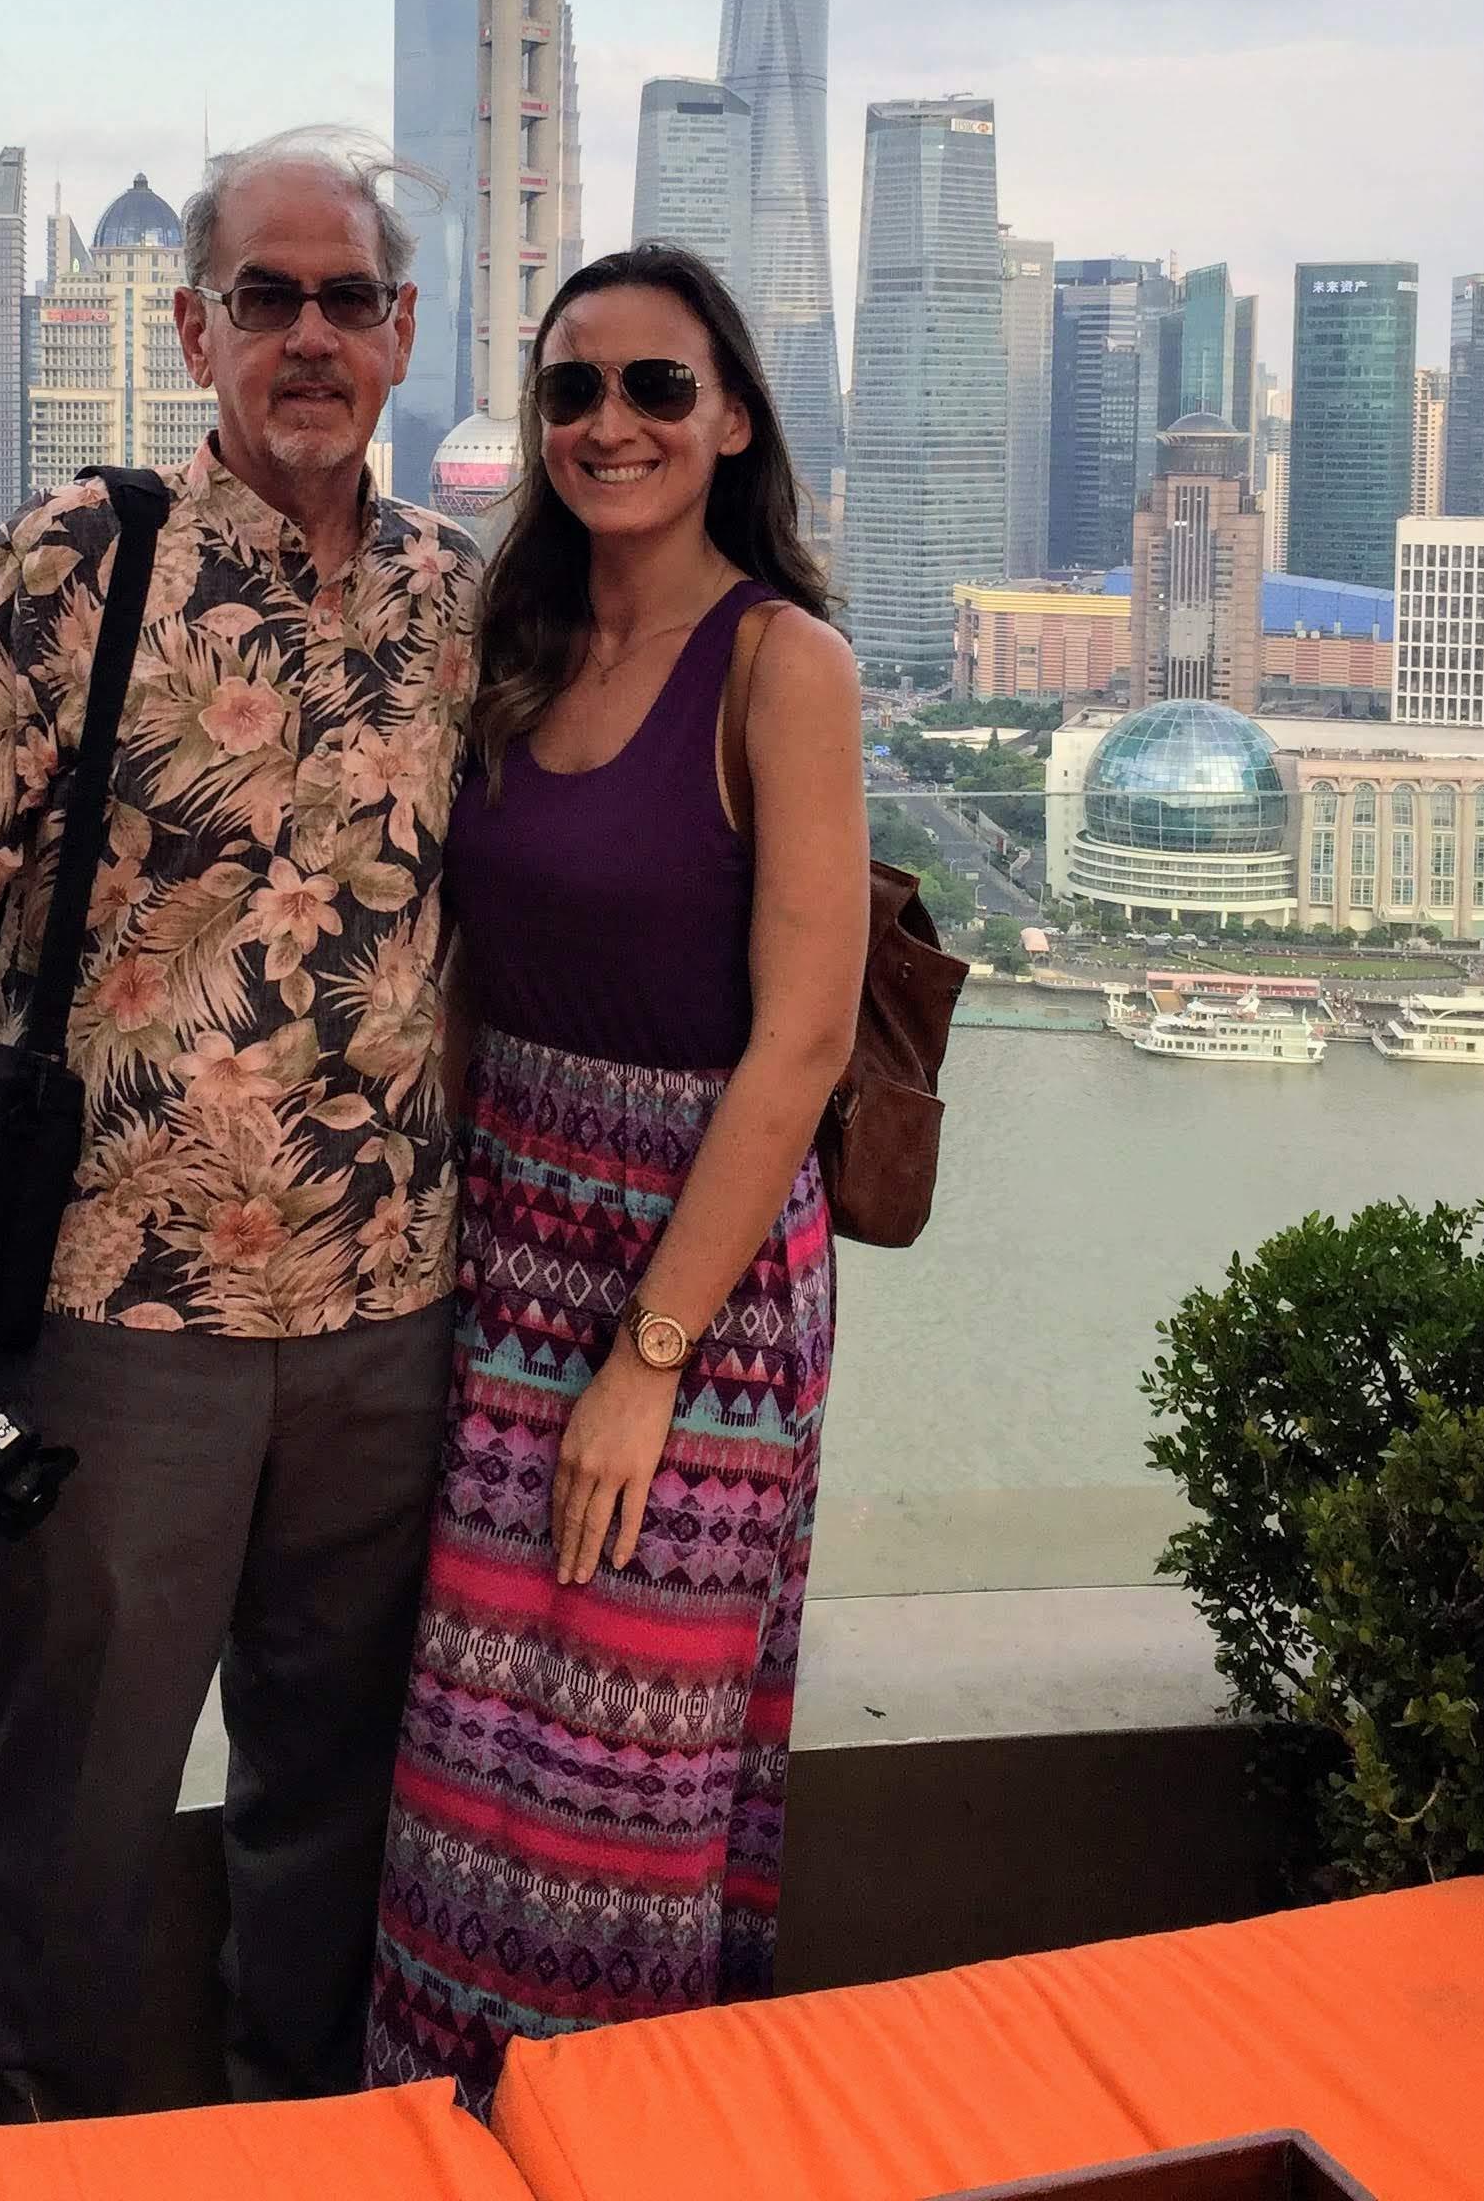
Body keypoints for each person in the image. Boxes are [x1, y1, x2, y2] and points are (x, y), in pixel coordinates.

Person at [0, 131, 480, 2125]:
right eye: (264, 298)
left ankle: (313, 2150)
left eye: (345, 299)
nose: (306, 336)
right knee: (70, 1822)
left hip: (389, 1319)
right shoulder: (79, 564)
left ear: (402, 335)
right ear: (194, 328)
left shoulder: (463, 606)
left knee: (335, 1821)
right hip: (115, 1325)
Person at [365, 241, 870, 2113]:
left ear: (731, 419)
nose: (612, 423)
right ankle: (440, 2148)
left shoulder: (781, 666)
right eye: (574, 388)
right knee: (459, 1780)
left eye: (660, 387)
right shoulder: (513, 650)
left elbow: (802, 1044)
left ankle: (610, 2148)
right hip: (508, 1259)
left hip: (697, 1295)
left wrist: (646, 1361)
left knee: (618, 1810)